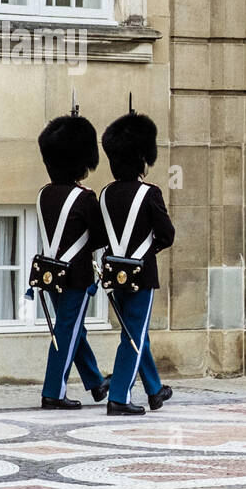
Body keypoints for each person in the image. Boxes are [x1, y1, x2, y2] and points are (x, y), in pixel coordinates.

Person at [98, 110, 175, 416]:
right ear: (141, 159)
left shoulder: (105, 194)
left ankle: (154, 390)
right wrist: (146, 250)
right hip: (141, 275)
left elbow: (100, 235)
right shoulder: (150, 193)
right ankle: (118, 397)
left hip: (114, 272)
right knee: (133, 334)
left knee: (133, 331)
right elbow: (167, 235)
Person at [35, 113, 111, 410]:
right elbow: (101, 237)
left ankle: (95, 382)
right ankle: (53, 391)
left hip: (49, 273)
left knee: (72, 328)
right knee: (67, 331)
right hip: (76, 277)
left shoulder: (44, 194)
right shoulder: (85, 197)